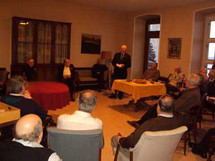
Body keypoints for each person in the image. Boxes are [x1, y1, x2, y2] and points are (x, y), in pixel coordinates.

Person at [111, 94, 183, 150]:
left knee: (114, 139)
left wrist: (120, 139)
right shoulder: (179, 122)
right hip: (164, 154)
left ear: (158, 107)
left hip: (141, 155)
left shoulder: (150, 124)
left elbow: (130, 142)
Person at [128, 74, 201, 128]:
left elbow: (176, 106)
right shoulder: (194, 90)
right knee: (158, 105)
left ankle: (142, 123)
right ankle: (141, 122)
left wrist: (167, 102)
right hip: (182, 111)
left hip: (181, 116)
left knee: (158, 106)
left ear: (191, 83)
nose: (185, 81)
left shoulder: (190, 95)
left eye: (186, 81)